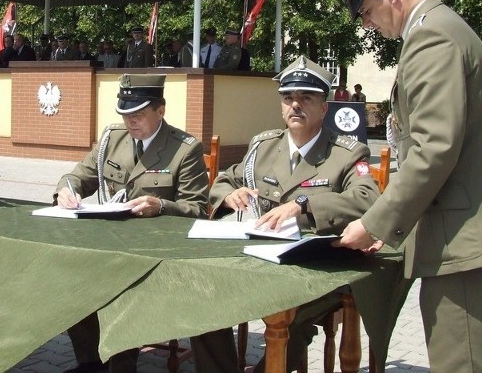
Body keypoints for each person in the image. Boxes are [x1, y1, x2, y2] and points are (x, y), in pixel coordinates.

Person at [325, 0, 482, 373]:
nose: (367, 26)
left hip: (461, 248)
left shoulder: (432, 37)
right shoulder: (439, 28)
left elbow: (434, 149)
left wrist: (373, 222)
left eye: (367, 13)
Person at [193, 55, 380, 373]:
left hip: (315, 267)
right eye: (288, 98)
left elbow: (367, 196)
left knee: (291, 315)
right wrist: (228, 195)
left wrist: (305, 205)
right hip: (257, 259)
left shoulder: (347, 152)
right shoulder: (263, 147)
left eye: (306, 98)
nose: (296, 105)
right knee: (203, 302)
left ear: (323, 108)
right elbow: (226, 179)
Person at [55, 73, 209, 373]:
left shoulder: (184, 149)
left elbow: (198, 210)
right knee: (70, 277)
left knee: (121, 291)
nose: (130, 123)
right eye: (125, 115)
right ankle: (90, 363)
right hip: (110, 244)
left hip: (157, 254)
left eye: (138, 115)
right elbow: (78, 176)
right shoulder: (112, 139)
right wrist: (67, 190)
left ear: (160, 110)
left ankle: (121, 366)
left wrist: (161, 205)